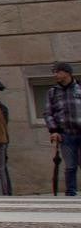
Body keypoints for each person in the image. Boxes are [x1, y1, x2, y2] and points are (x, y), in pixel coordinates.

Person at [44, 61, 81, 197]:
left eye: (58, 72)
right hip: (66, 134)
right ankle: (70, 193)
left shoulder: (79, 87)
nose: (55, 75)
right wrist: (53, 130)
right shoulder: (52, 92)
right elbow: (48, 113)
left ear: (67, 73)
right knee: (70, 166)